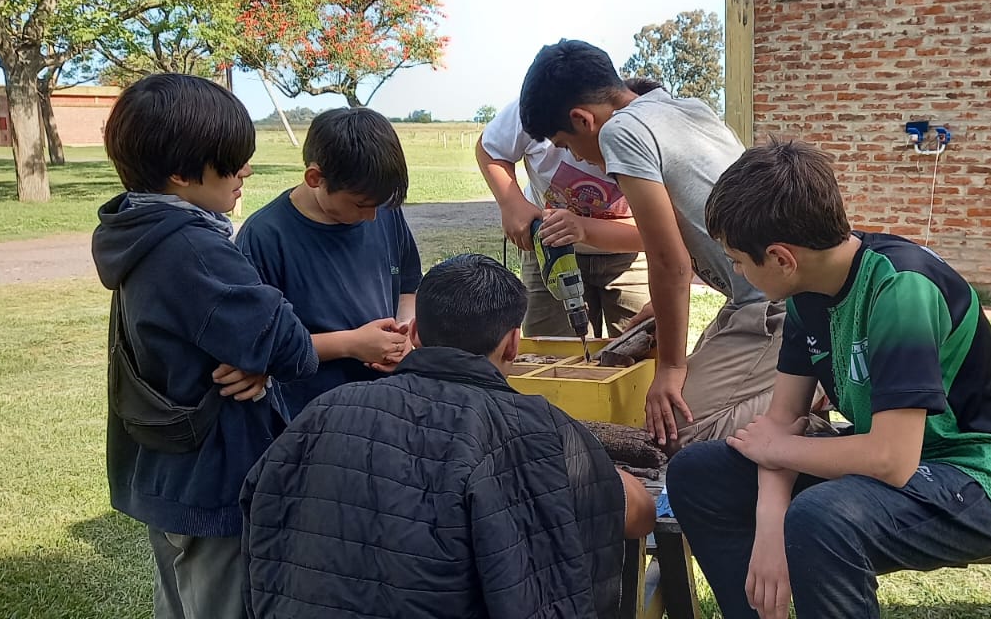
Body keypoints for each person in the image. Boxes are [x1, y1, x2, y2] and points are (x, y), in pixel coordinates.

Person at [666, 141, 991, 618]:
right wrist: (770, 527)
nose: (735, 270)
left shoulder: (901, 289)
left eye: (738, 260)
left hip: (984, 477)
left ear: (781, 257)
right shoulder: (806, 292)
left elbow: (891, 460)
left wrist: (781, 454)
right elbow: (779, 426)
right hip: (899, 461)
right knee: (697, 473)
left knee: (822, 520)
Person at [241, 254, 656, 619]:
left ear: (415, 333)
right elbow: (639, 512)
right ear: (513, 344)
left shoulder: (323, 412)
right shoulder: (535, 427)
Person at [92, 73, 325, 619]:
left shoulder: (137, 227)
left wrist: (257, 364)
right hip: (211, 478)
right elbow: (293, 346)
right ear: (180, 173)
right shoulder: (195, 248)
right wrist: (266, 358)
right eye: (231, 161)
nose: (245, 172)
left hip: (165, 467)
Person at [519, 40, 799, 447]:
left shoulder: (620, 132)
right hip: (752, 297)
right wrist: (659, 308)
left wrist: (669, 367)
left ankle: (808, 392)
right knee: (673, 407)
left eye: (565, 145)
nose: (576, 158)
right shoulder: (683, 108)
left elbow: (670, 262)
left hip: (775, 306)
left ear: (582, 120)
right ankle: (796, 386)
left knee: (675, 427)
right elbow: (689, 236)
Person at [236, 107, 420, 419]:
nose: (372, 217)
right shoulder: (265, 236)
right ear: (315, 178)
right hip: (308, 417)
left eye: (380, 205)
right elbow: (260, 348)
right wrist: (352, 344)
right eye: (360, 205)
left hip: (384, 406)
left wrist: (404, 335)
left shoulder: (383, 209)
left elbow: (407, 287)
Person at [474, 78, 664, 338]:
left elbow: (656, 233)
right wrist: (512, 204)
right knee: (551, 346)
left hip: (627, 256)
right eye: (561, 145)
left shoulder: (647, 132)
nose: (575, 156)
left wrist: (583, 228)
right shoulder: (540, 109)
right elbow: (490, 147)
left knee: (640, 345)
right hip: (550, 250)